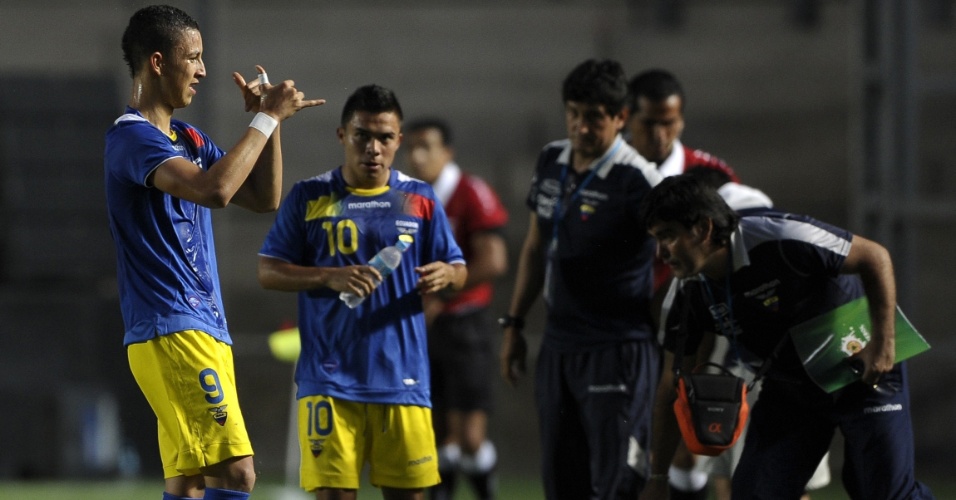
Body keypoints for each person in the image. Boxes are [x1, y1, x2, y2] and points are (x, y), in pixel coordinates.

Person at [105, 5, 323, 500]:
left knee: (189, 483)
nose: (203, 70)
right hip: (173, 327)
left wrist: (272, 123)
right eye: (194, 58)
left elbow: (262, 197)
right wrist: (266, 119)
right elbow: (215, 191)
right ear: (158, 62)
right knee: (237, 473)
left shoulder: (188, 137)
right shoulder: (131, 137)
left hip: (201, 325)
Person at [638, 174, 935, 500]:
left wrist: (883, 345)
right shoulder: (686, 292)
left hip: (857, 364)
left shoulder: (778, 235)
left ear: (704, 229)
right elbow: (670, 382)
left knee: (885, 493)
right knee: (754, 494)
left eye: (668, 237)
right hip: (791, 388)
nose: (660, 253)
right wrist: (657, 476)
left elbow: (874, 256)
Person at [627, 69, 832, 500]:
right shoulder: (618, 176)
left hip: (728, 319)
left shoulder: (710, 177)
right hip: (653, 326)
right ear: (628, 118)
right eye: (650, 123)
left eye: (671, 122)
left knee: (740, 442)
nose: (661, 133)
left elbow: (757, 224)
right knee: (700, 446)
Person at [257, 85, 467, 500]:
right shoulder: (310, 196)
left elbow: (459, 269)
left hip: (402, 381)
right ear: (342, 136)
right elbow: (268, 270)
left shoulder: (419, 200)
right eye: (362, 136)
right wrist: (326, 277)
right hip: (329, 381)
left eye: (385, 138)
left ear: (398, 141)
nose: (373, 147)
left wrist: (448, 274)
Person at [499, 58, 663, 500]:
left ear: (620, 118)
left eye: (593, 117)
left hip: (617, 347)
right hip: (558, 344)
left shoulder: (640, 180)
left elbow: (676, 257)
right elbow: (536, 246)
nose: (580, 126)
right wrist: (514, 324)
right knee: (561, 479)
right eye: (573, 113)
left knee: (618, 482)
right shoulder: (552, 158)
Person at [404, 118, 509, 500]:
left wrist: (441, 294)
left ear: (447, 152)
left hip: (466, 326)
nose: (417, 156)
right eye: (411, 147)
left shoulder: (470, 192)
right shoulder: (407, 197)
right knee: (432, 433)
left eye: (426, 147)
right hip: (421, 328)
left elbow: (494, 261)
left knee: (469, 437)